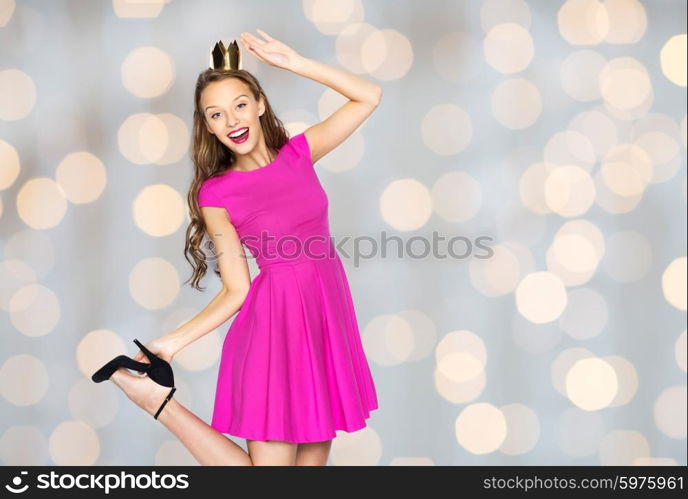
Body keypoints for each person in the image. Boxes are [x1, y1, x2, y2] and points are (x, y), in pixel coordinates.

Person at [107, 29, 383, 466]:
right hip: (276, 329)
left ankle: (154, 401)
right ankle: (157, 403)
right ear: (207, 125)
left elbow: (368, 95)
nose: (231, 121)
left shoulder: (299, 153)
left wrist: (295, 63)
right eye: (215, 115)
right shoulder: (217, 194)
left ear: (259, 104)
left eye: (239, 105)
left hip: (324, 321)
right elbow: (237, 288)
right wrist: (169, 345)